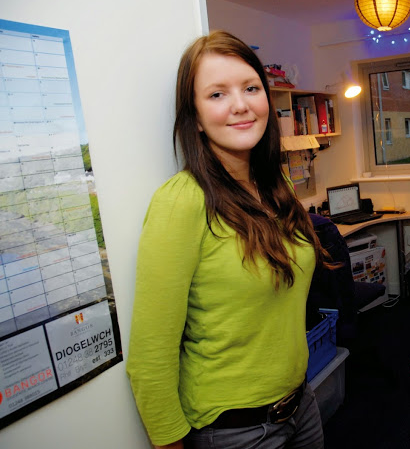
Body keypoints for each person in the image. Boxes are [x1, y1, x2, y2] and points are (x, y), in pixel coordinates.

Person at [126, 30, 329, 449]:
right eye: (217, 94)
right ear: (196, 118)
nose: (240, 105)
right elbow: (150, 357)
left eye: (251, 88)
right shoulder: (181, 201)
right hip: (235, 430)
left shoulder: (276, 186)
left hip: (301, 404)